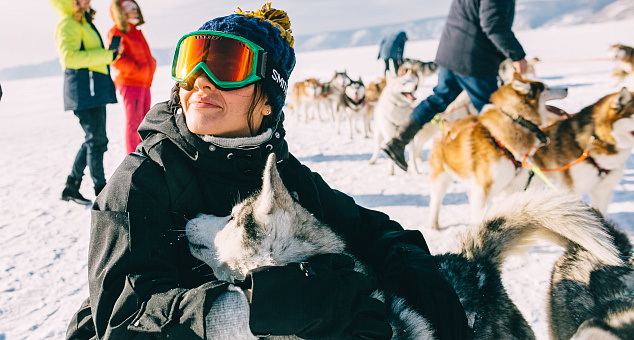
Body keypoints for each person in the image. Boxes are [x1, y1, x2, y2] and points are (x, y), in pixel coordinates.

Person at [65, 3, 471, 340]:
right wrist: (256, 310)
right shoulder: (142, 180)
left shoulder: (279, 172)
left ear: (267, 102)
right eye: (192, 64)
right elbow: (122, 317)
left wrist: (427, 290)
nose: (201, 81)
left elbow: (373, 232)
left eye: (226, 65)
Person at [382, 0, 528, 171]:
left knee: (439, 98)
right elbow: (492, 23)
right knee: (493, 110)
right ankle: (506, 161)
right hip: (475, 59)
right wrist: (518, 55)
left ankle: (398, 141)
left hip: (450, 53)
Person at [49, 0, 119, 205]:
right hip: (83, 89)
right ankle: (101, 190)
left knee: (94, 139)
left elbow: (94, 56)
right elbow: (69, 58)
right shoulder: (67, 24)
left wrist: (112, 55)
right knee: (96, 141)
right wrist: (106, 55)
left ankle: (71, 186)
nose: (87, 1)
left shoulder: (84, 23)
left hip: (94, 87)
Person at [107, 0, 156, 154]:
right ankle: (133, 158)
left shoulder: (135, 31)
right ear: (122, 12)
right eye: (131, 9)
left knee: (144, 122)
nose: (135, 11)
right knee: (134, 124)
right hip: (130, 83)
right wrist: (138, 69)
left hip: (144, 83)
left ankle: (144, 154)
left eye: (136, 8)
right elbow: (115, 59)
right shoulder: (117, 32)